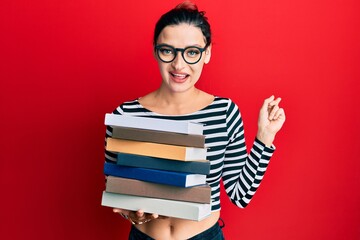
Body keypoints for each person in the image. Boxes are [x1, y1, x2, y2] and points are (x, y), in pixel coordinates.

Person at [105, 1, 286, 239]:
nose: (179, 65)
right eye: (168, 50)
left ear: (207, 53)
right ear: (155, 50)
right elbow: (118, 190)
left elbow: (240, 195)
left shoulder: (224, 113)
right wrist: (131, 213)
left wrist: (264, 138)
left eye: (192, 52)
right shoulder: (125, 115)